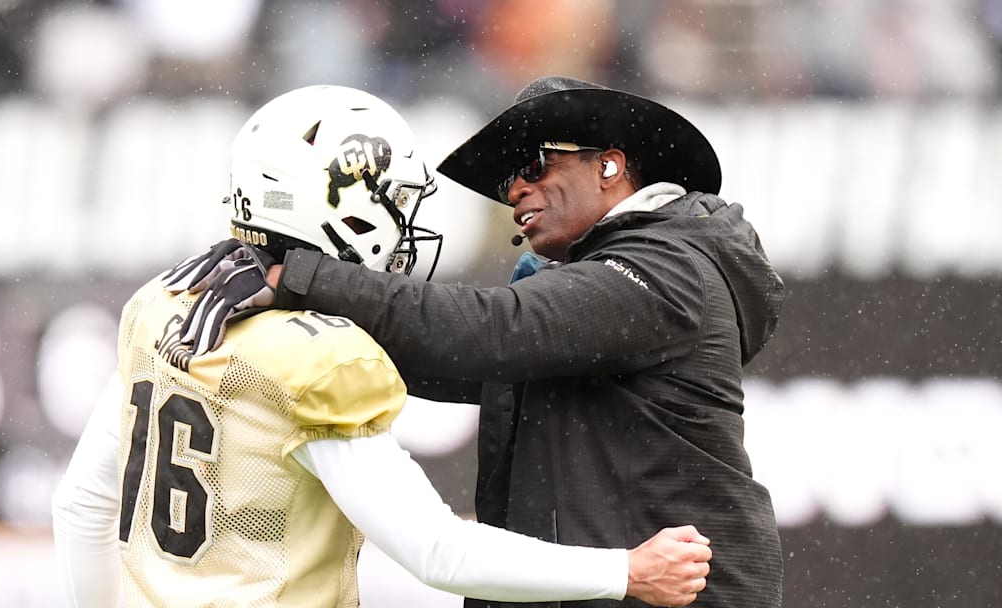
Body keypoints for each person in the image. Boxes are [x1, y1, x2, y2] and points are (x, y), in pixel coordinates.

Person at [50, 84, 714, 608]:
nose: (404, 224)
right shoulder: (320, 359)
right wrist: (626, 571)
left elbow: (82, 503)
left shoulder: (167, 303)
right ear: (338, 205)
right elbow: (436, 551)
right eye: (393, 200)